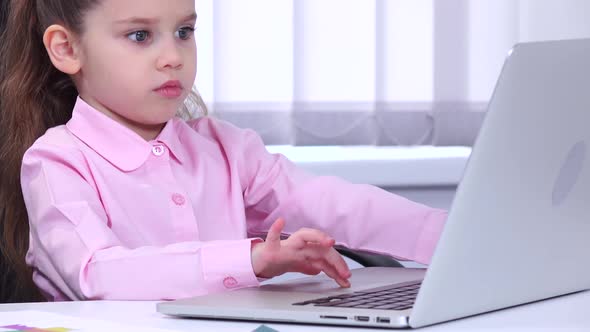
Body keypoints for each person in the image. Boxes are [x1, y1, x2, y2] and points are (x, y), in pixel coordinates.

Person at [0, 0, 447, 302]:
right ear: (66, 48)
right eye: (139, 36)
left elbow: (335, 204)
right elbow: (97, 275)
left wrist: (453, 237)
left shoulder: (224, 148)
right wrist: (250, 260)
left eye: (183, 31)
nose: (173, 56)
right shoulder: (56, 161)